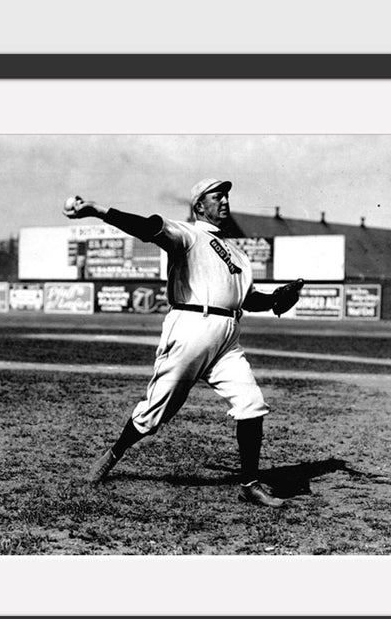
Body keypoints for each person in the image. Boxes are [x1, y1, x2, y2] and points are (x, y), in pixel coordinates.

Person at [63, 178, 301, 508]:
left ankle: (249, 485)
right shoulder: (188, 235)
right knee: (155, 411)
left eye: (226, 195)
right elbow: (147, 227)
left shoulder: (239, 254)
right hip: (191, 325)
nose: (225, 201)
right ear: (199, 206)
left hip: (228, 335)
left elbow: (247, 299)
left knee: (251, 403)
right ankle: (114, 453)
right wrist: (97, 211)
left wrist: (276, 298)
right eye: (217, 196)